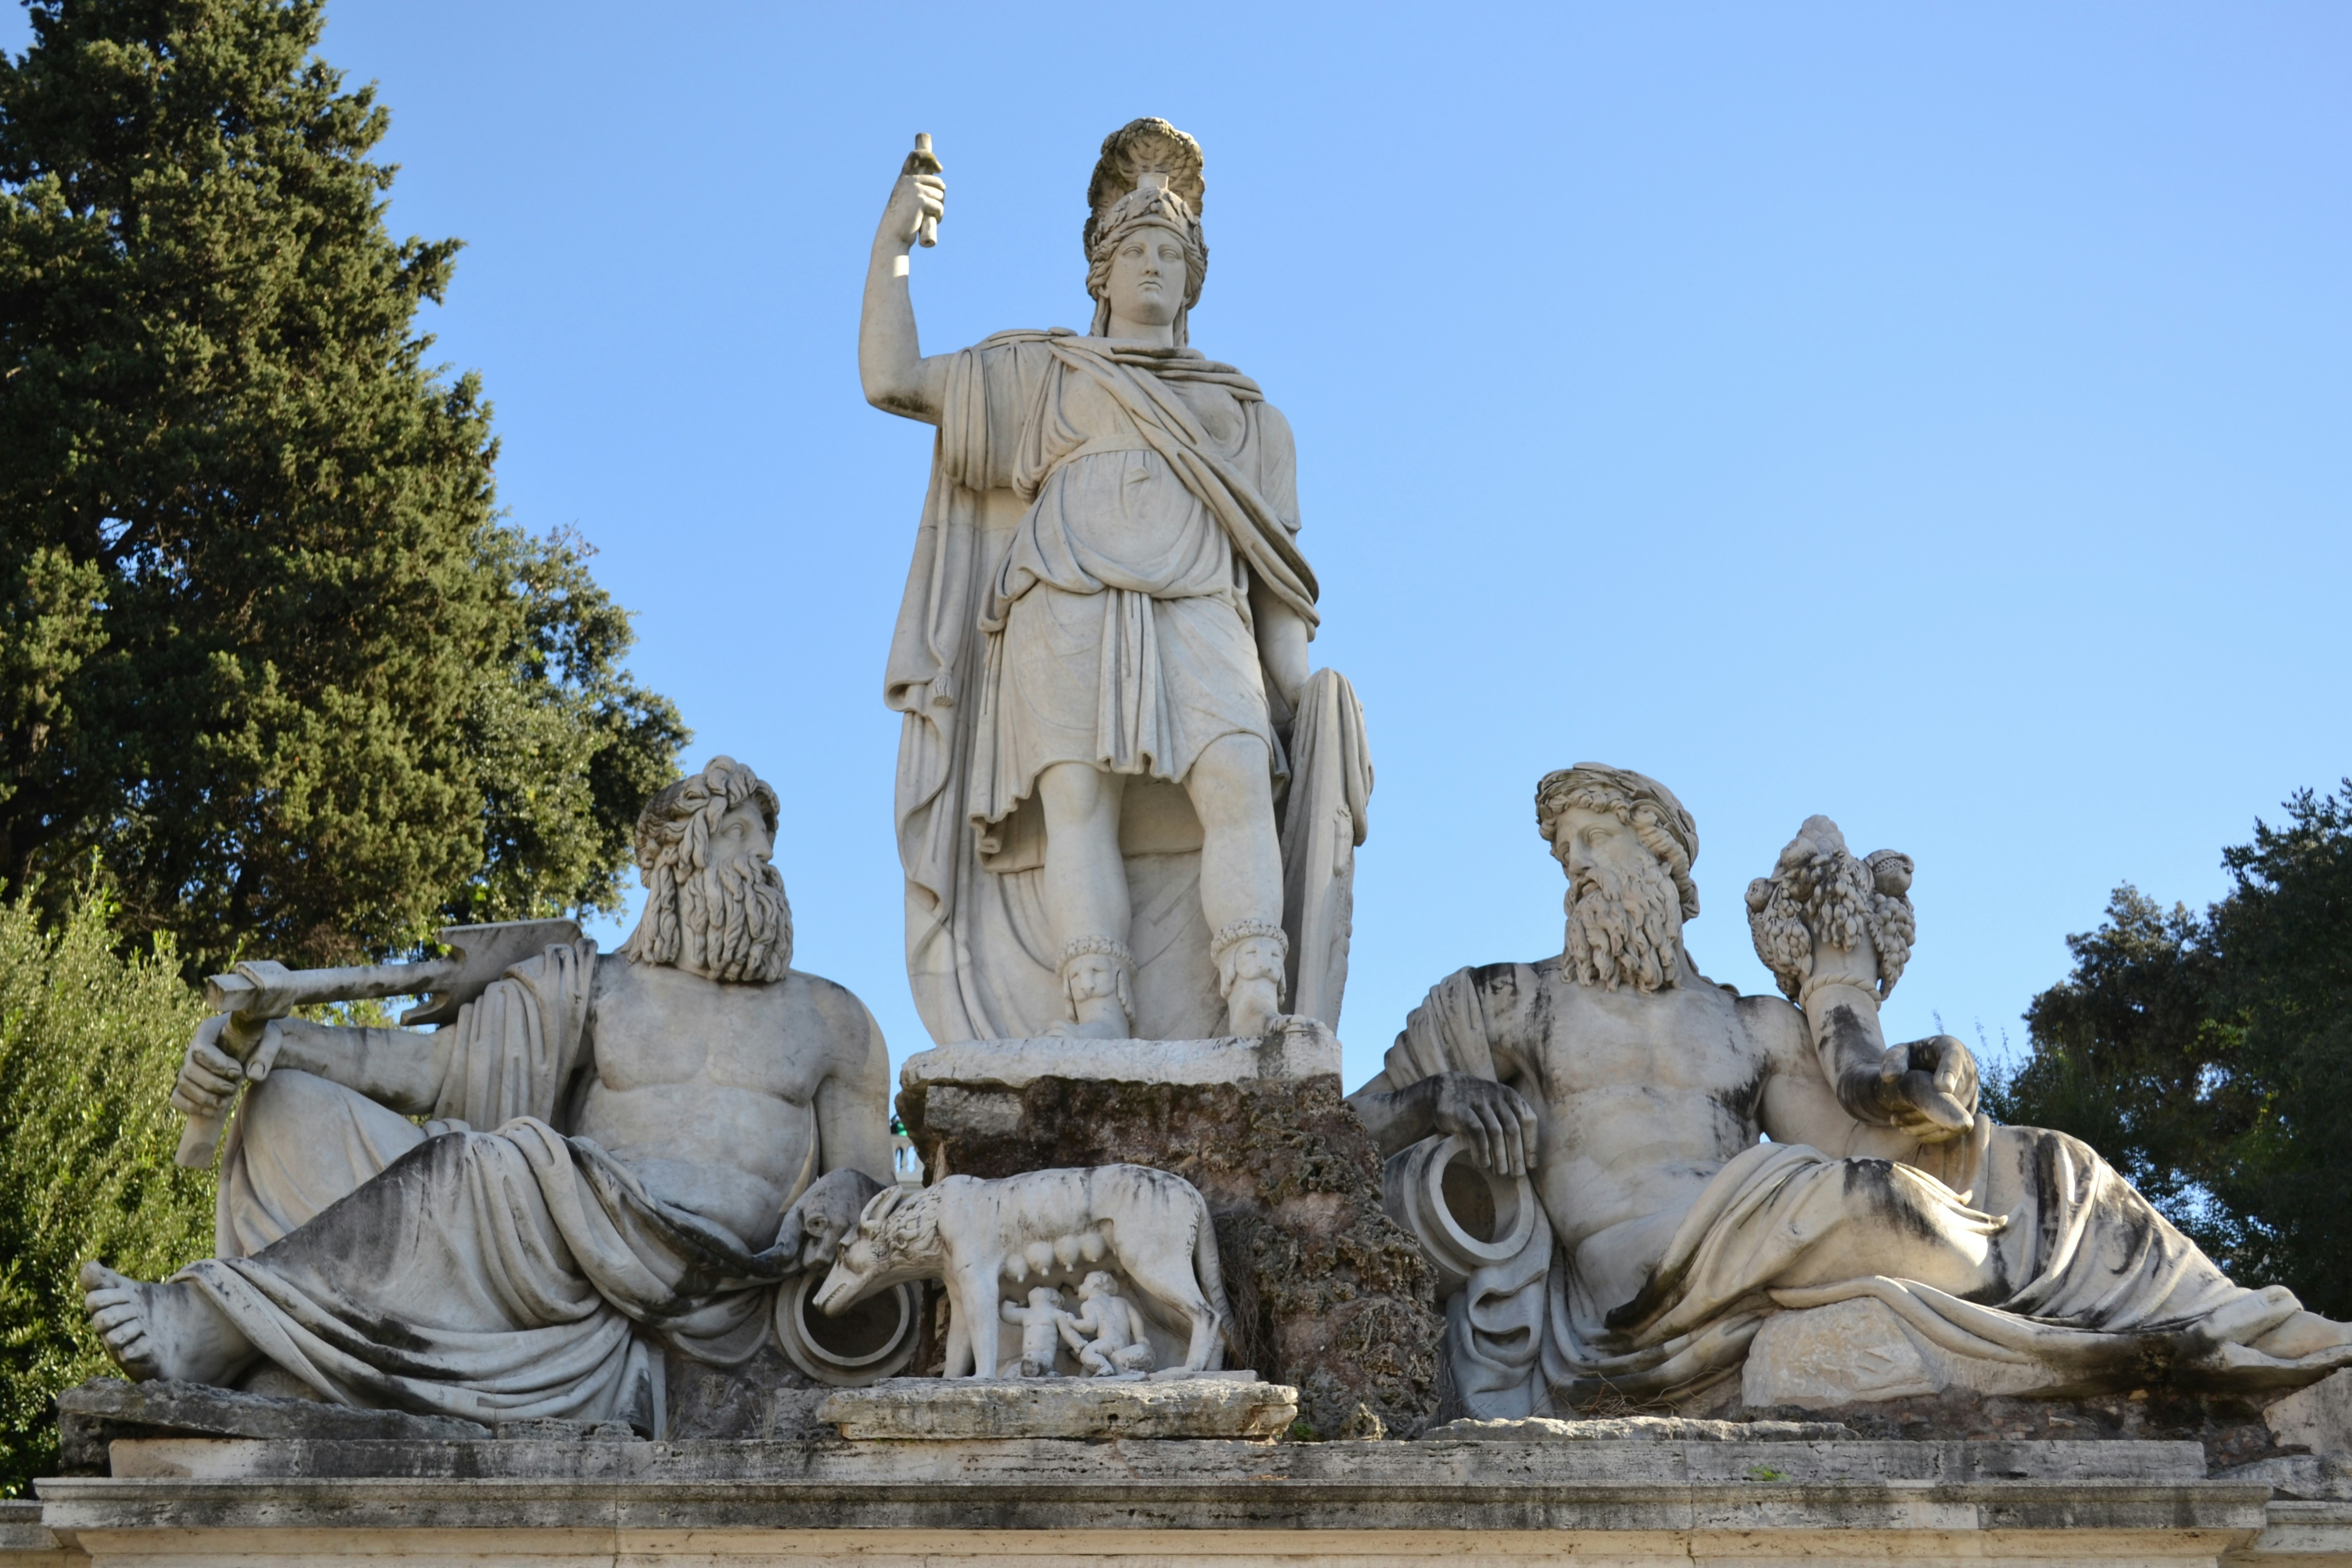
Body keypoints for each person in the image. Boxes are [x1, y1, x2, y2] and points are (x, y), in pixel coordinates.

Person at [1347, 763, 2352, 1416]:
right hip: (1637, 1288)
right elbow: (1342, 1134)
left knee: (2048, 1168)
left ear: (1664, 865)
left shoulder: (1749, 1024)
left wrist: (1927, 1074)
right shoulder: (1506, 1003)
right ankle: (2122, 1335)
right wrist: (1439, 1105)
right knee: (1870, 1209)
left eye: (1593, 846)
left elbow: (1862, 1130)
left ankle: (2228, 1330)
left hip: (1763, 1225)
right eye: (1564, 854)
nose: (1574, 873)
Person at [82, 758, 893, 1433]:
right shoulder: (594, 988)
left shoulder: (834, 1018)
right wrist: (282, 1044)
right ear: (671, 867)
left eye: (766, 837)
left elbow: (877, 1193)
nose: (760, 859)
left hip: (735, 1282)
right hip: (572, 1248)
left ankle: (207, 1324)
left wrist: (845, 1193)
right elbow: (438, 1073)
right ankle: (268, 1335)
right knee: (294, 1105)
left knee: (485, 1166)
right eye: (734, 835)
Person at [866, 118, 1369, 1044]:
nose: (1152, 265)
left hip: (1199, 601)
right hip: (1060, 600)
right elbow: (892, 380)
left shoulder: (1251, 417)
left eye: (1170, 251)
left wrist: (1307, 697)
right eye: (1134, 248)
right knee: (1075, 802)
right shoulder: (1043, 375)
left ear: (1195, 275)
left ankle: (1255, 998)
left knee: (1237, 779)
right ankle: (1097, 1012)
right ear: (1100, 270)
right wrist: (893, 245)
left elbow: (1276, 592)